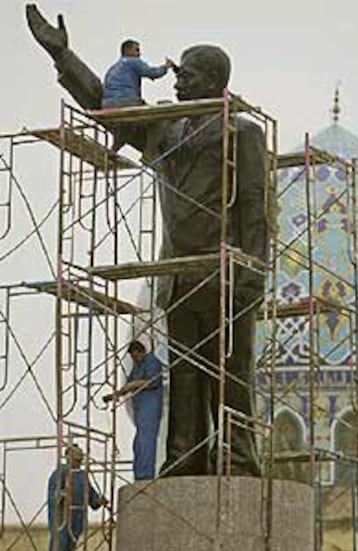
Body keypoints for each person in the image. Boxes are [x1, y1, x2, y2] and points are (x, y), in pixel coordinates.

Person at [26, 4, 267, 477]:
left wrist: (253, 273)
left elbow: (255, 208)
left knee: (231, 372)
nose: (176, 82)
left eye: (188, 75)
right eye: (177, 73)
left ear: (215, 79)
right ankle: (185, 456)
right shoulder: (164, 129)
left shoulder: (243, 133)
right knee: (186, 372)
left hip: (226, 272)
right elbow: (108, 108)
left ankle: (239, 456)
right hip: (177, 275)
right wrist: (64, 58)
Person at [45, 444, 107, 551]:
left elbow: (93, 500)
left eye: (80, 454)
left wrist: (100, 501)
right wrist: (61, 495)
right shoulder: (60, 473)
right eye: (75, 453)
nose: (79, 456)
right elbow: (54, 496)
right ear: (67, 456)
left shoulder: (83, 476)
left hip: (76, 522)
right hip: (61, 521)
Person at [103, 341, 164, 480]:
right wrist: (115, 395)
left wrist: (133, 385)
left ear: (141, 352)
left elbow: (153, 381)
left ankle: (146, 474)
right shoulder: (137, 367)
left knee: (146, 441)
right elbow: (127, 386)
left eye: (136, 356)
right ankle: (139, 473)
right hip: (141, 410)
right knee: (138, 443)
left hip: (150, 408)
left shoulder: (151, 361)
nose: (135, 359)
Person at [102, 39, 176, 108]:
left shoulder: (112, 69)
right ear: (128, 50)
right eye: (137, 50)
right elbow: (153, 73)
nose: (139, 53)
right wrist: (166, 66)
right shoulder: (133, 61)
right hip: (126, 101)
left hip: (107, 104)